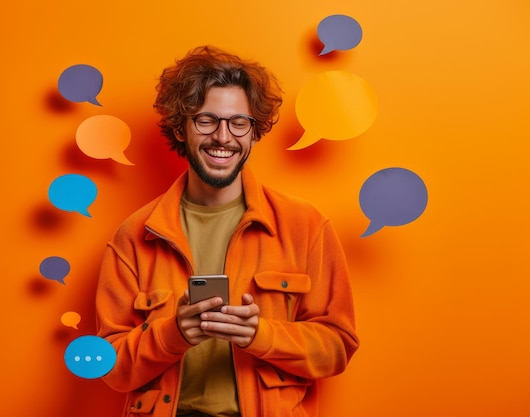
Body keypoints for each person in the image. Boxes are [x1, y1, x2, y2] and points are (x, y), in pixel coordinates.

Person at [95, 45, 359, 417]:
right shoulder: (134, 236)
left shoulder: (306, 226)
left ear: (254, 133)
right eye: (206, 120)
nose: (223, 137)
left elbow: (337, 347)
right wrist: (173, 335)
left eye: (238, 123)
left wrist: (261, 335)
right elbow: (112, 367)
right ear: (180, 128)